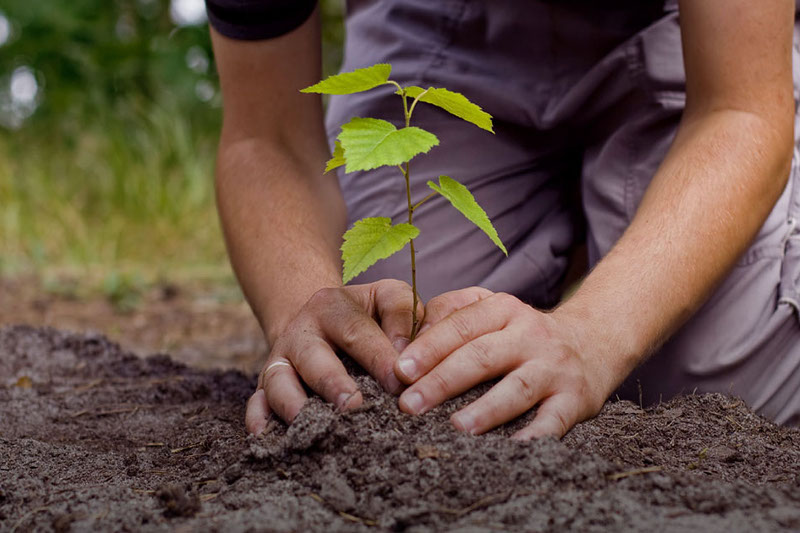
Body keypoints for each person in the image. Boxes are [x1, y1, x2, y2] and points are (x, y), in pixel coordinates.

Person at [205, 0, 800, 439]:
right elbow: (268, 136)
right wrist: (302, 311)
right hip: (436, 26)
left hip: (685, 32)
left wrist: (594, 334)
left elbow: (739, 109)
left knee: (720, 381)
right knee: (395, 350)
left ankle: (601, 241)